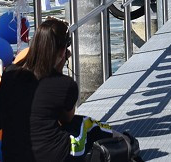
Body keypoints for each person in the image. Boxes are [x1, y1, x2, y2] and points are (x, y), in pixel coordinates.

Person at [13, 18, 114, 162]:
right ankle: (121, 139)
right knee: (86, 124)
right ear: (62, 52)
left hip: (13, 155)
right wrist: (59, 68)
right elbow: (67, 119)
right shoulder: (64, 84)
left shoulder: (10, 75)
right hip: (53, 156)